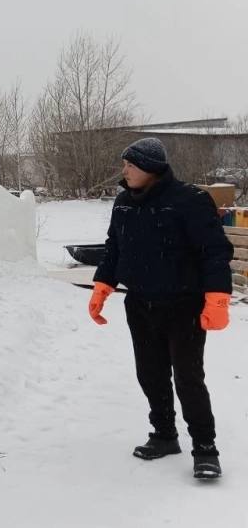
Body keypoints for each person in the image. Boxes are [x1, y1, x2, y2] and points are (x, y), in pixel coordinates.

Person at [89, 137, 232, 480]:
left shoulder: (190, 200)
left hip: (183, 305)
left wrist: (216, 297)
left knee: (188, 378)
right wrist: (102, 285)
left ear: (150, 168)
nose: (123, 170)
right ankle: (165, 435)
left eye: (130, 165)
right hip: (139, 303)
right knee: (150, 374)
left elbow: (214, 251)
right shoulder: (124, 203)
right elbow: (114, 247)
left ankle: (205, 448)